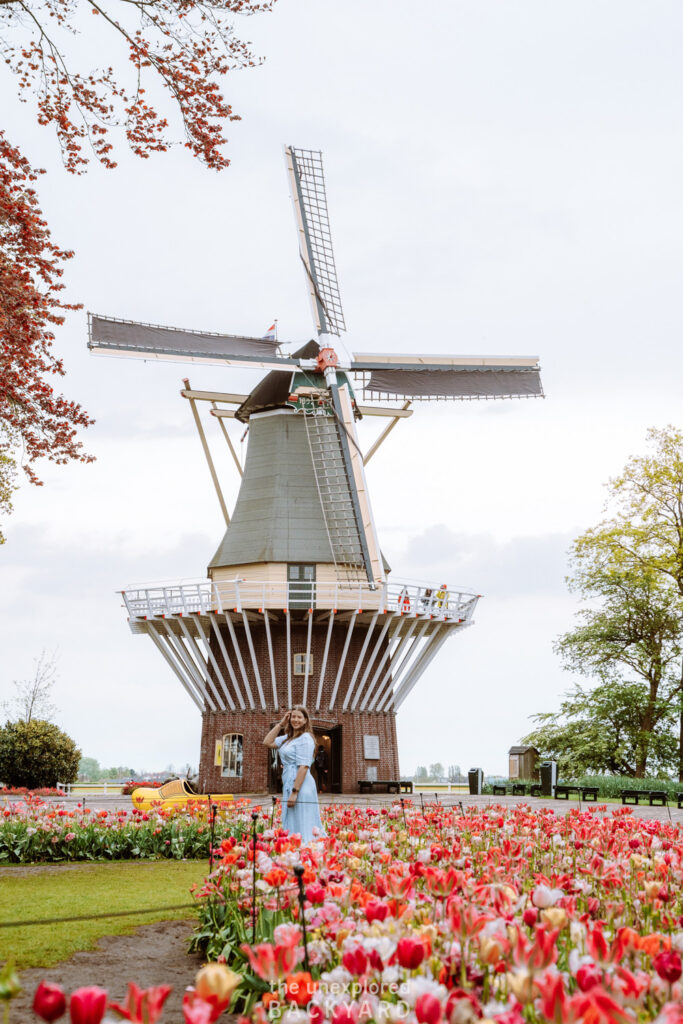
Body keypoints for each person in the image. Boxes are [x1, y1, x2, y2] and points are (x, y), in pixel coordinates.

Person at [263, 706, 325, 842]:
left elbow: (303, 766)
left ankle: (306, 846)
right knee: (292, 816)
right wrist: (281, 724)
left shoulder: (305, 738)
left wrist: (295, 792)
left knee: (302, 817)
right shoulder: (288, 738)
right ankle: (294, 845)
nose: (295, 720)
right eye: (293, 717)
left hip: (301, 784)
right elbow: (267, 742)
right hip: (289, 780)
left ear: (305, 720)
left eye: (299, 717)